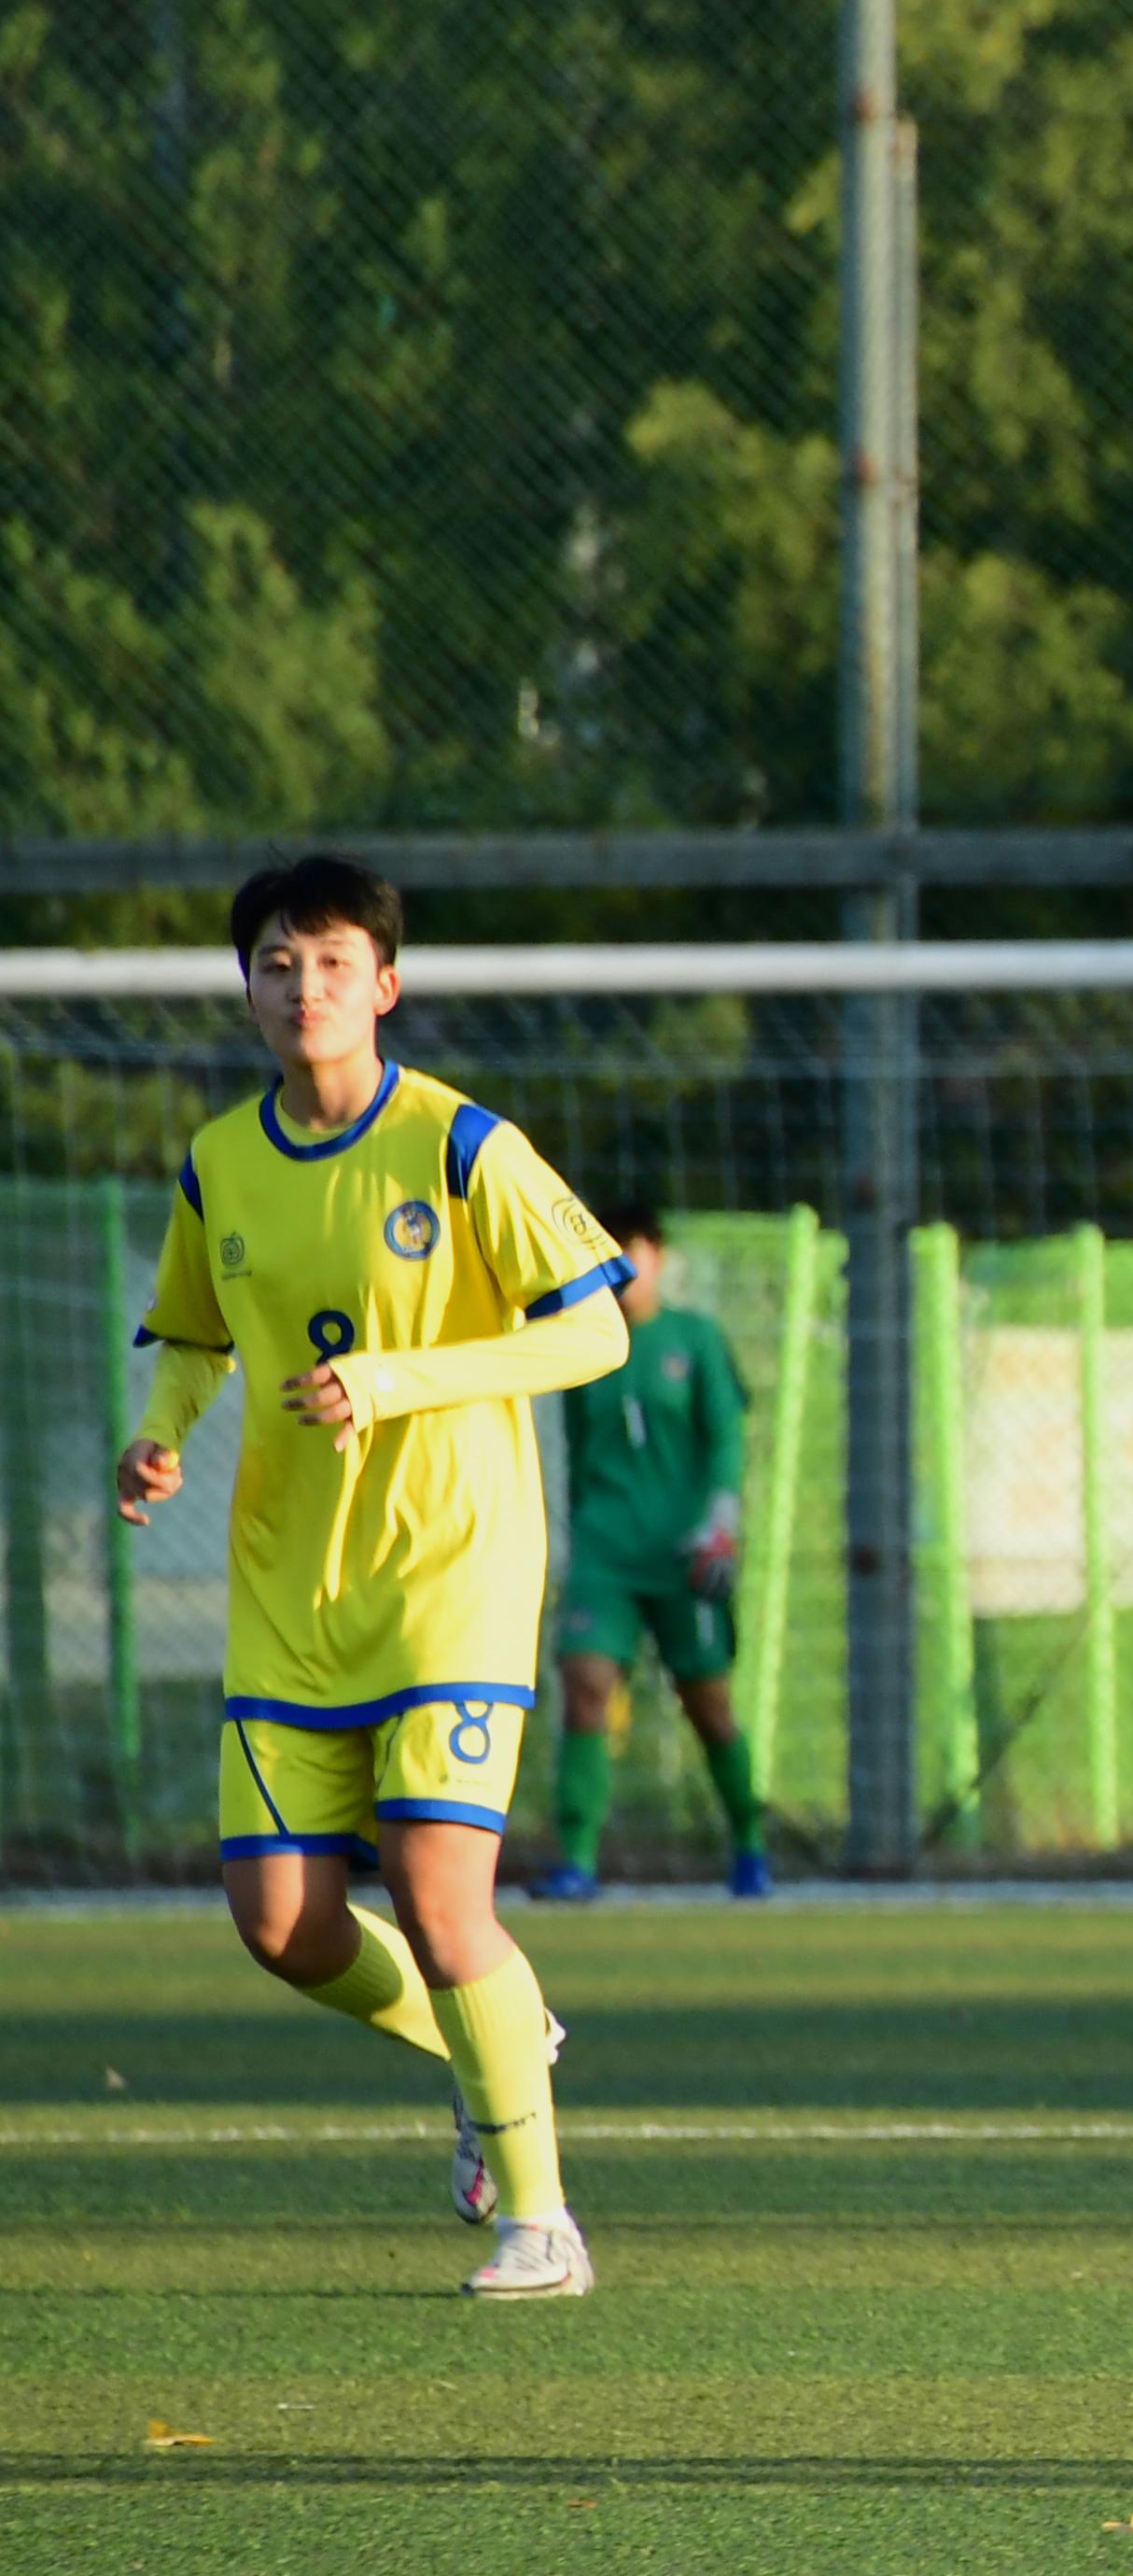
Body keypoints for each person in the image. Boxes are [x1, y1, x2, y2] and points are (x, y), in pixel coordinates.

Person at [114, 854, 634, 2300]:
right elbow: (199, 1335)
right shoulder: (221, 1161)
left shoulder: (464, 1145)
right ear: (249, 990)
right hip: (292, 1589)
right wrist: (157, 1443)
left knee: (437, 1888)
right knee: (278, 1922)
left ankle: (542, 2223)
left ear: (387, 985)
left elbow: (596, 1332)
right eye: (278, 964)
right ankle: (499, 2041)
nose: (305, 987)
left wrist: (403, 1377)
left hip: (449, 1573)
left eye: (334, 961)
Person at [537, 1206, 774, 1902]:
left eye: (630, 1251)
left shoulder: (694, 1340)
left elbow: (725, 1442)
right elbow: (579, 1454)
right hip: (607, 1554)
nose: (621, 1270)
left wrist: (720, 1524)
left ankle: (750, 1845)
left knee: (709, 1704)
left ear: (658, 1257)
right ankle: (578, 1858)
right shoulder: (582, 1347)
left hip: (683, 1554)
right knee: (584, 1687)